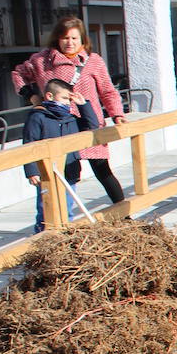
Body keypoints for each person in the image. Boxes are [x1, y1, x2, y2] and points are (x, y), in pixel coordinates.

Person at [13, 16, 125, 207]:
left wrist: (117, 115)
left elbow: (107, 90)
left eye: (75, 38)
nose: (70, 43)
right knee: (61, 174)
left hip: (88, 123)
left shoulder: (93, 61)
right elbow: (18, 74)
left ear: (82, 39)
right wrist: (32, 97)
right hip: (55, 125)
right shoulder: (40, 60)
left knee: (103, 171)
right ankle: (58, 222)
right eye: (65, 38)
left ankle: (126, 214)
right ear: (57, 38)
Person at [22, 79, 99, 232]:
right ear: (50, 96)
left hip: (69, 169)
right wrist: (32, 171)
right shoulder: (38, 117)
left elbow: (92, 125)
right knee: (45, 210)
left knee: (67, 207)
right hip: (46, 173)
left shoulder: (70, 118)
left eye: (69, 100)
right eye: (64, 98)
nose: (68, 103)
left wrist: (83, 105)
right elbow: (29, 144)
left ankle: (63, 240)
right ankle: (42, 239)